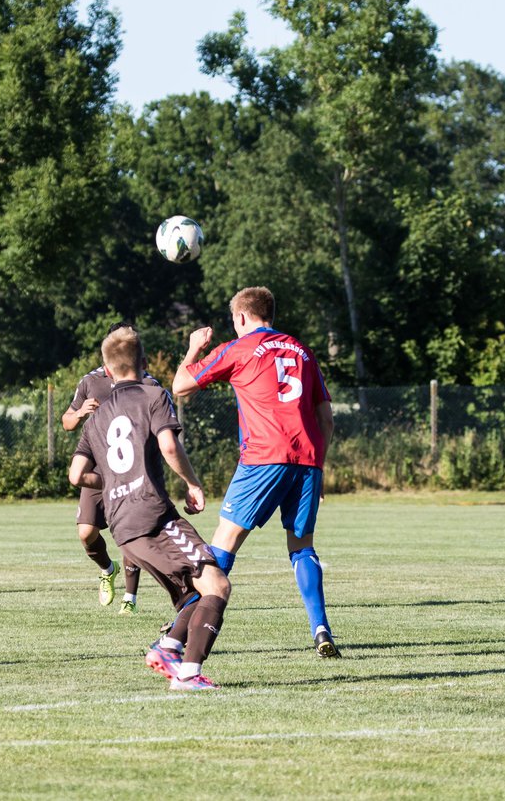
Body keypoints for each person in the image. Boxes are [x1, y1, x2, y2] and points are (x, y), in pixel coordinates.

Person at [172, 286, 339, 658]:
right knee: (302, 547)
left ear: (242, 318)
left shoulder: (240, 348)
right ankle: (321, 629)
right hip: (307, 459)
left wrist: (194, 348)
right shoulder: (303, 351)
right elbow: (326, 418)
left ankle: (182, 627)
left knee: (222, 546)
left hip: (264, 457)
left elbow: (180, 386)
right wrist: (319, 465)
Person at [69, 325, 230, 691]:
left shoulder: (96, 417)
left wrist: (112, 482)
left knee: (193, 595)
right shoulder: (153, 394)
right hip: (153, 515)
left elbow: (77, 475)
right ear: (142, 362)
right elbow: (170, 448)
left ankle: (168, 648)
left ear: (107, 371)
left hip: (122, 526)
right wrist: (192, 483)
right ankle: (187, 674)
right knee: (217, 585)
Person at [63, 322, 164, 614]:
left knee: (128, 532)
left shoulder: (149, 384)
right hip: (97, 470)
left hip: (132, 470)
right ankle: (108, 569)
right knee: (86, 533)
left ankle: (129, 600)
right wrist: (80, 413)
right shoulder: (91, 381)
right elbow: (67, 422)